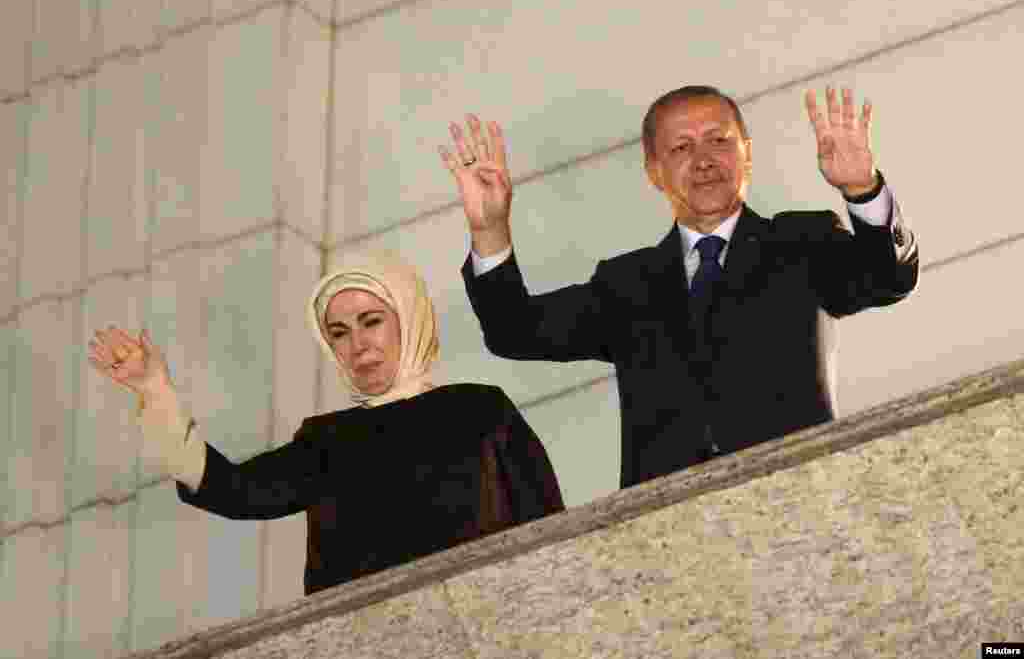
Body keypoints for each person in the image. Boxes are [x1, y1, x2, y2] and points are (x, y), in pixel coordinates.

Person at [438, 85, 918, 489]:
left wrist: (862, 189)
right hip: (666, 531)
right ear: (654, 171)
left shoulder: (802, 241)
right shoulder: (626, 285)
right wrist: (490, 229)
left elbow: (888, 278)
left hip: (800, 498)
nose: (704, 160)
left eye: (719, 140)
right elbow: (514, 330)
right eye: (681, 148)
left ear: (747, 152)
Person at [87, 252, 564, 596]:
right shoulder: (327, 441)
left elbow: (550, 536)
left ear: (410, 318)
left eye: (371, 321)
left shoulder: (480, 409)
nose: (358, 344)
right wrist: (155, 391)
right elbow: (231, 489)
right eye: (339, 332)